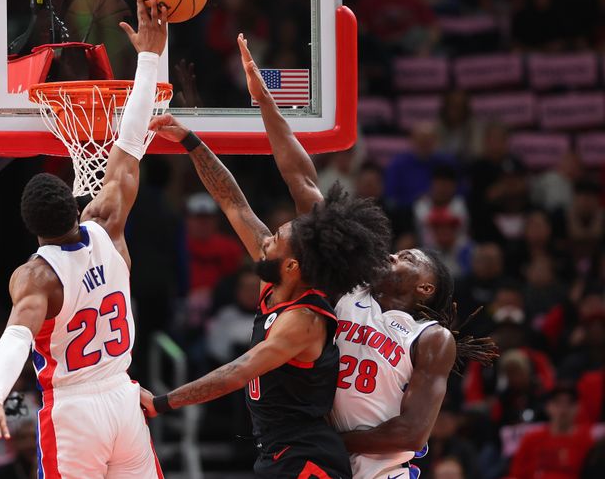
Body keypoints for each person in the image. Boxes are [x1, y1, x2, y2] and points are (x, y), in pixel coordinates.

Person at [235, 33, 497, 479]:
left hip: (380, 471)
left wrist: (322, 439)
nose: (396, 253)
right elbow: (304, 183)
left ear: (425, 287)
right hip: (320, 464)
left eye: (409, 257)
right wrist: (265, 103)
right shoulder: (348, 288)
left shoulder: (430, 338)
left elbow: (411, 433)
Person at [0, 0, 168, 478]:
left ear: (29, 226)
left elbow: (16, 335)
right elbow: (130, 140)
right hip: (122, 395)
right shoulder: (108, 225)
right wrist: (150, 56)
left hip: (74, 411)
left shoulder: (36, 277)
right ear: (76, 208)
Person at [141, 117, 392, 478]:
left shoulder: (303, 321)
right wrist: (189, 139)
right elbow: (232, 202)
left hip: (307, 456)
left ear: (291, 265)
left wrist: (162, 402)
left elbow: (237, 372)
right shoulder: (274, 281)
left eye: (275, 237)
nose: (266, 240)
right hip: (277, 451)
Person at [509, 383, 594, 479]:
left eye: (569, 403)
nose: (563, 409)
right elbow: (516, 474)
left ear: (578, 408)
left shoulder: (585, 441)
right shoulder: (531, 439)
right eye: (558, 403)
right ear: (548, 407)